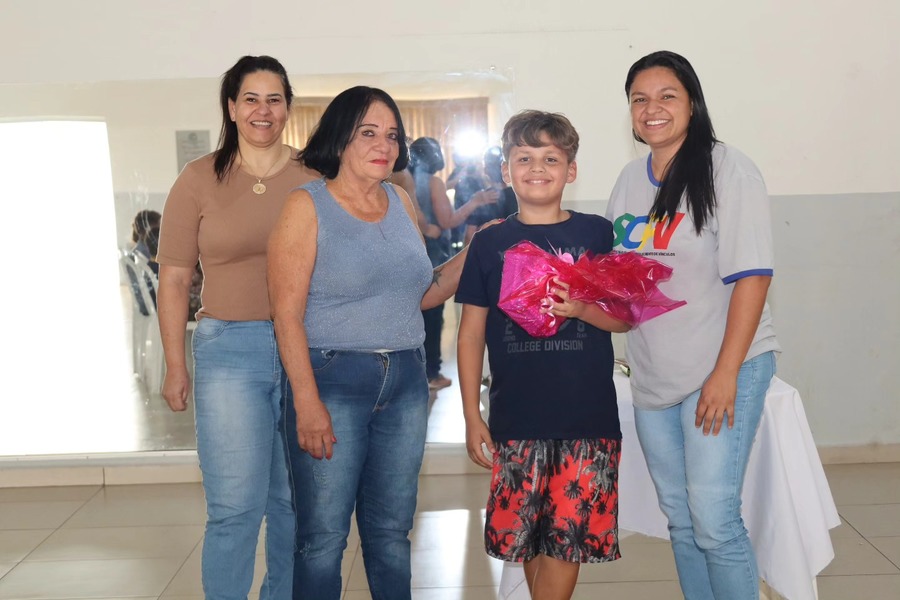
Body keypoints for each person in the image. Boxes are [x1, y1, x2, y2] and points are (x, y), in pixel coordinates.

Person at [267, 86, 480, 600]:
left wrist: (477, 250)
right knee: (322, 540)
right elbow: (286, 316)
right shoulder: (306, 206)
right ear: (341, 137)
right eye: (368, 133)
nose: (383, 145)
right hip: (333, 381)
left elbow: (421, 293)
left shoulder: (401, 200)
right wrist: (306, 403)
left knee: (391, 533)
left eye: (391, 135)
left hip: (405, 381)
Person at [605, 51, 780, 600]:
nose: (651, 109)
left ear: (692, 103)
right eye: (639, 99)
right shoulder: (629, 181)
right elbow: (621, 287)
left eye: (667, 96)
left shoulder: (728, 169)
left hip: (722, 369)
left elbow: (753, 278)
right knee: (680, 519)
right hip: (655, 376)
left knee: (713, 518)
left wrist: (725, 374)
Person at [156, 55, 318, 600]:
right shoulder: (198, 178)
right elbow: (175, 279)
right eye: (250, 99)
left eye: (274, 99)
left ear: (288, 108)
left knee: (295, 505)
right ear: (231, 107)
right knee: (233, 508)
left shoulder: (315, 176)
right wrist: (175, 364)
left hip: (306, 350)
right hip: (229, 351)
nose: (262, 110)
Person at [456, 110, 630, 600]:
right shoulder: (489, 242)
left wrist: (581, 308)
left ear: (571, 170)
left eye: (551, 158)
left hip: (587, 419)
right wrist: (472, 415)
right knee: (528, 540)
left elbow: (623, 318)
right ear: (506, 170)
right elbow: (470, 335)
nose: (537, 168)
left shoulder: (597, 234)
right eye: (524, 158)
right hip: (516, 419)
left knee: (568, 542)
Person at [408, 136, 499, 389]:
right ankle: (432, 373)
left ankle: (419, 371)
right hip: (433, 250)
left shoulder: (406, 179)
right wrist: (475, 202)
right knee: (433, 316)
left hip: (413, 249)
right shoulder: (434, 182)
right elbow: (448, 221)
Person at [463, 145, 519, 244]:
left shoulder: (480, 198)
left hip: (486, 251)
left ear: (485, 170)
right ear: (506, 169)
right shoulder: (519, 195)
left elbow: (469, 236)